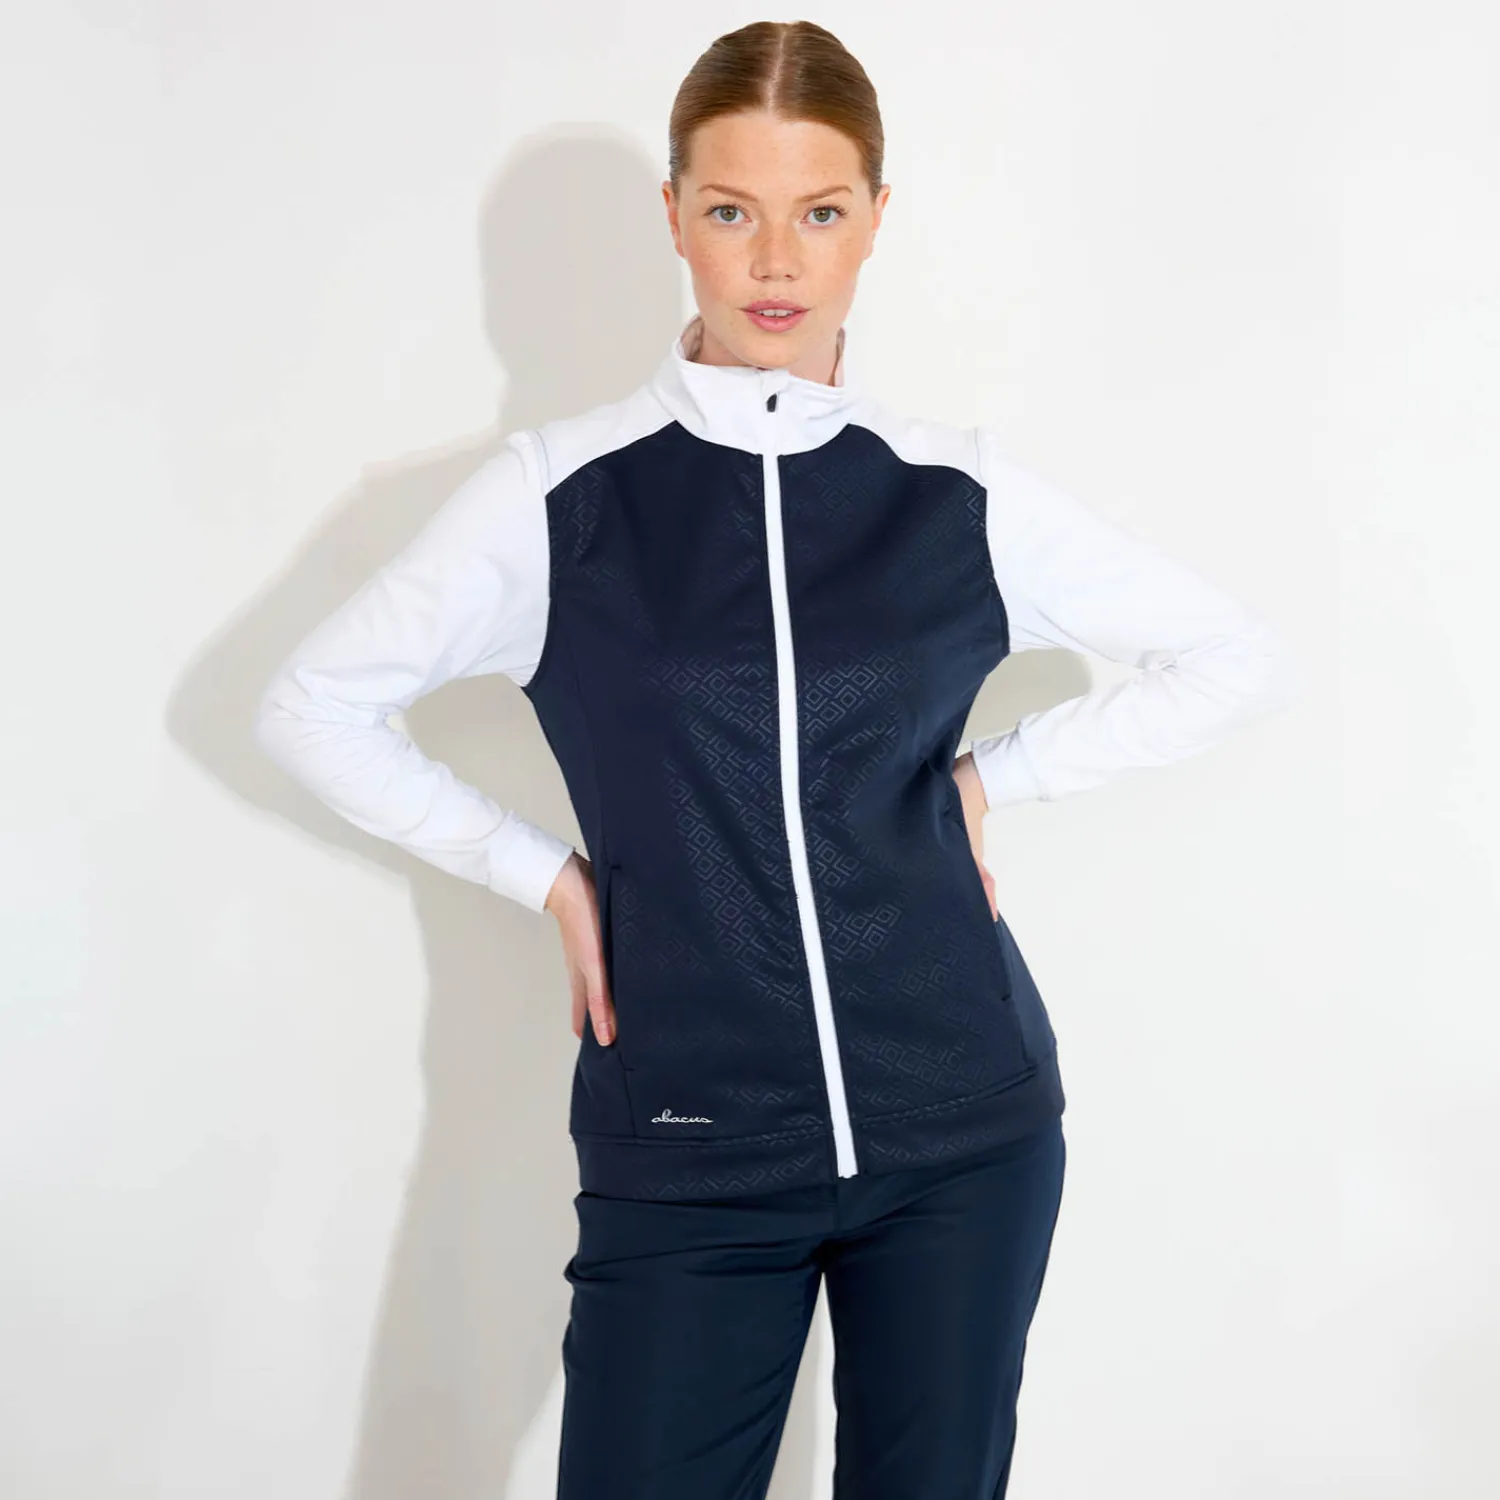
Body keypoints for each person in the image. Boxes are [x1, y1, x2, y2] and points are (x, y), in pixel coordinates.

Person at [254, 19, 1295, 1498]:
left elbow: (1231, 656)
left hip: (964, 1130)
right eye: (733, 210)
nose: (775, 261)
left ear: (875, 219)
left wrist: (988, 782)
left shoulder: (952, 490)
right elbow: (313, 704)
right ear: (675, 215)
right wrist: (544, 875)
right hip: (691, 1147)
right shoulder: (559, 499)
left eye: (820, 212)